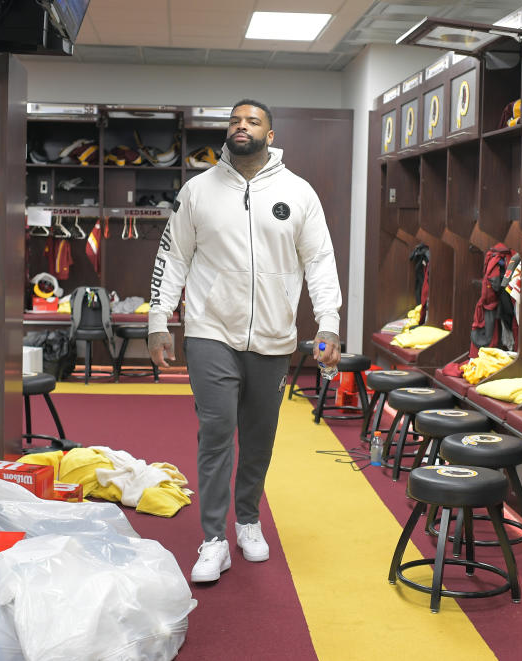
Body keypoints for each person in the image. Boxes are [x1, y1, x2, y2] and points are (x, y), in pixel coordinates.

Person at [148, 99, 342, 583]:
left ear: (270, 136)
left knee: (257, 438)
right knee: (216, 432)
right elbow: (173, 257)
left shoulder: (299, 193)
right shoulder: (198, 190)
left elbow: (319, 260)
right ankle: (214, 537)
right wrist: (158, 319)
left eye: (253, 121)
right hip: (210, 330)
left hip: (274, 338)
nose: (242, 126)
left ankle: (248, 519)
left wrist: (329, 322)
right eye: (235, 120)